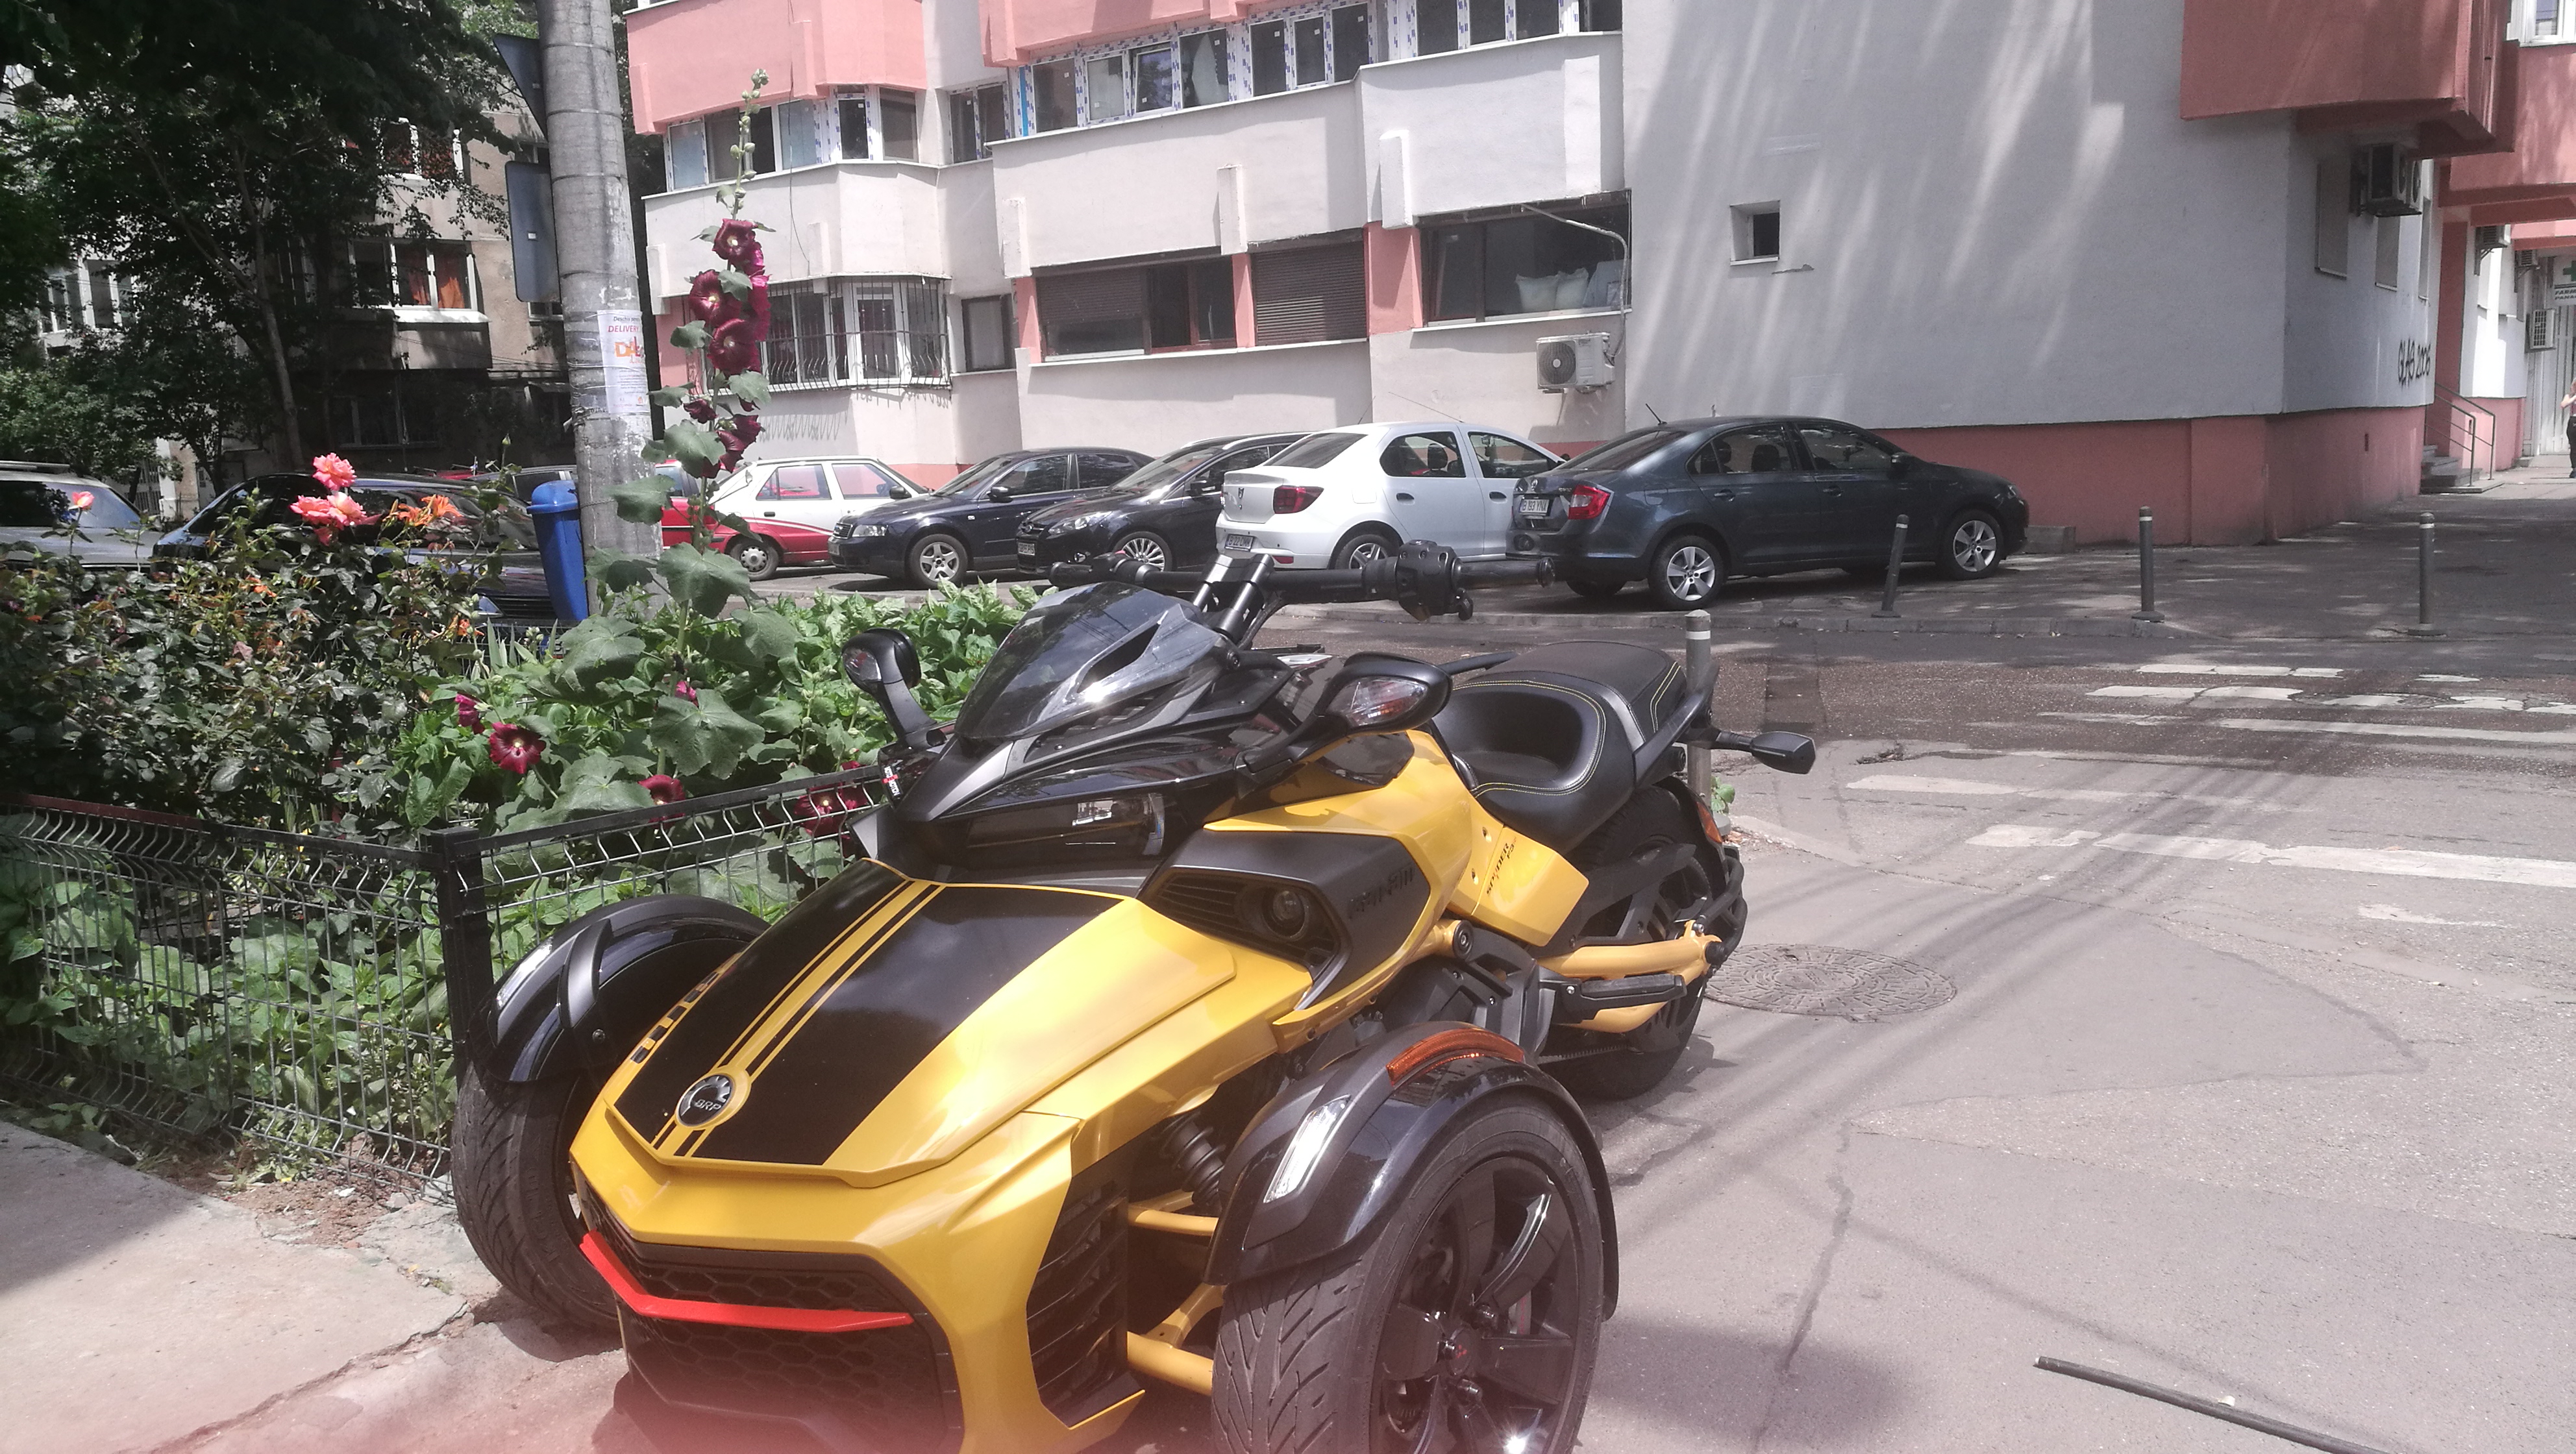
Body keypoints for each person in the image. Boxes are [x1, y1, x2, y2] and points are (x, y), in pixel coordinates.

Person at [2562, 380, 2576, 476]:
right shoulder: (2569, 396)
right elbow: (2563, 405)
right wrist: (2574, 397)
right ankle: (2575, 469)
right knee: (2574, 446)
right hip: (2573, 421)